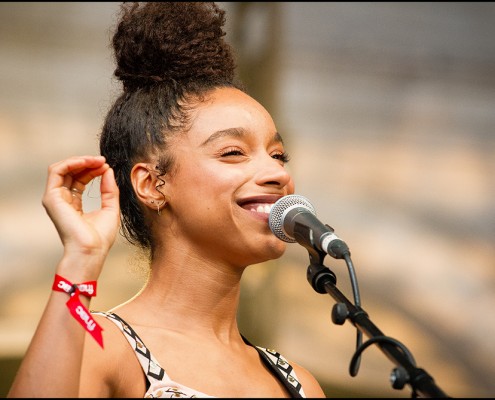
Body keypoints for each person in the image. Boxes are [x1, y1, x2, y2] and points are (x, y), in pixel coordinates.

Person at [8, 2, 326, 398]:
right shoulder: (102, 345)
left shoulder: (298, 385)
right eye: (232, 152)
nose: (277, 173)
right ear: (152, 185)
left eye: (278, 155)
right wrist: (81, 259)